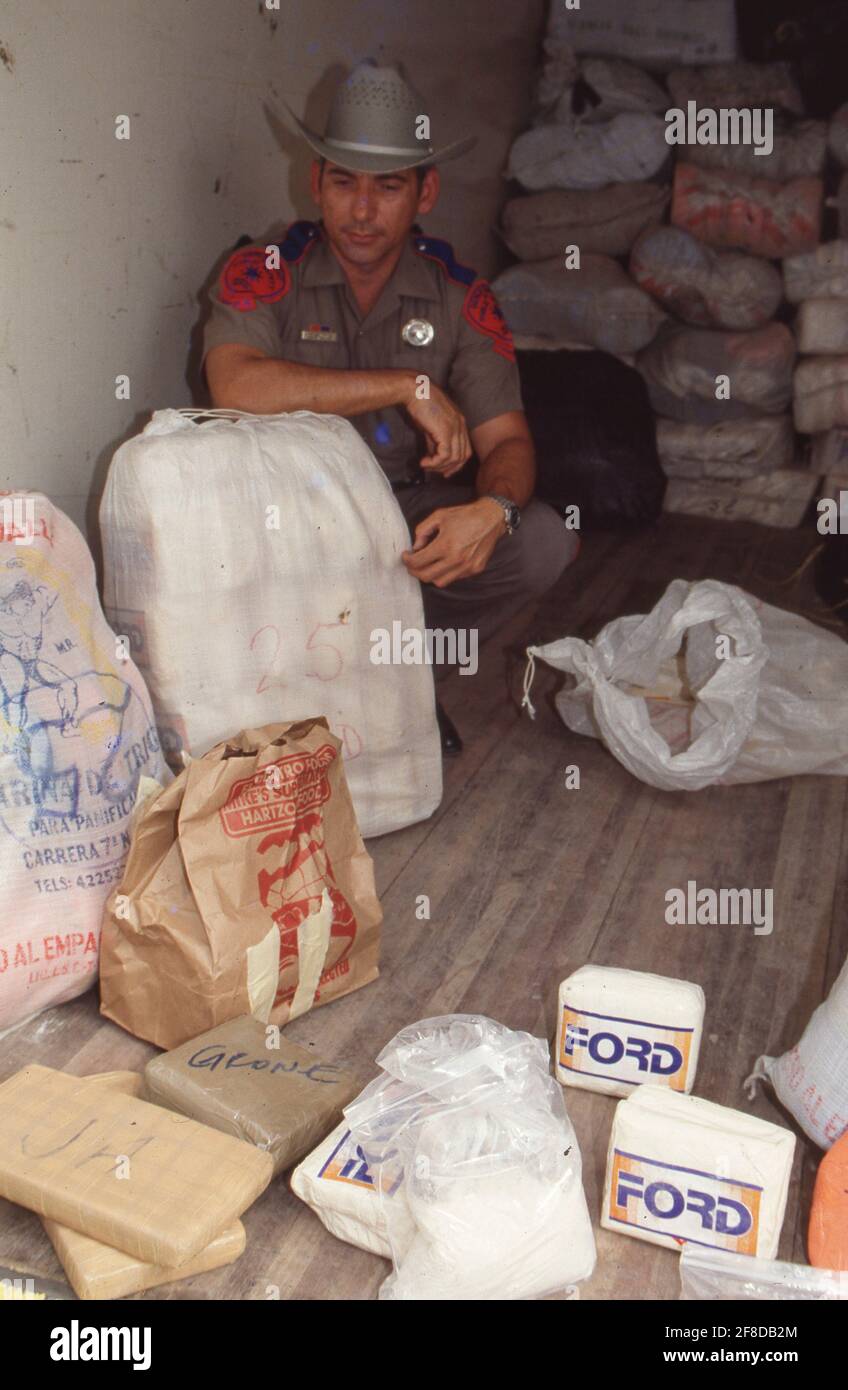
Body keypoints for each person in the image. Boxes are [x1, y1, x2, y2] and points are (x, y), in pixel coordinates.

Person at [203, 60, 579, 753]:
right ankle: (306, 690)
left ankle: (399, 679)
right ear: (314, 181)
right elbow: (236, 385)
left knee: (543, 540)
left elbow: (510, 445)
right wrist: (408, 385)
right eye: (343, 182)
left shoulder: (461, 298)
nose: (363, 210)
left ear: (425, 191)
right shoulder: (266, 271)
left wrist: (490, 511)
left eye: (388, 186)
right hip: (282, 529)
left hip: (401, 524)